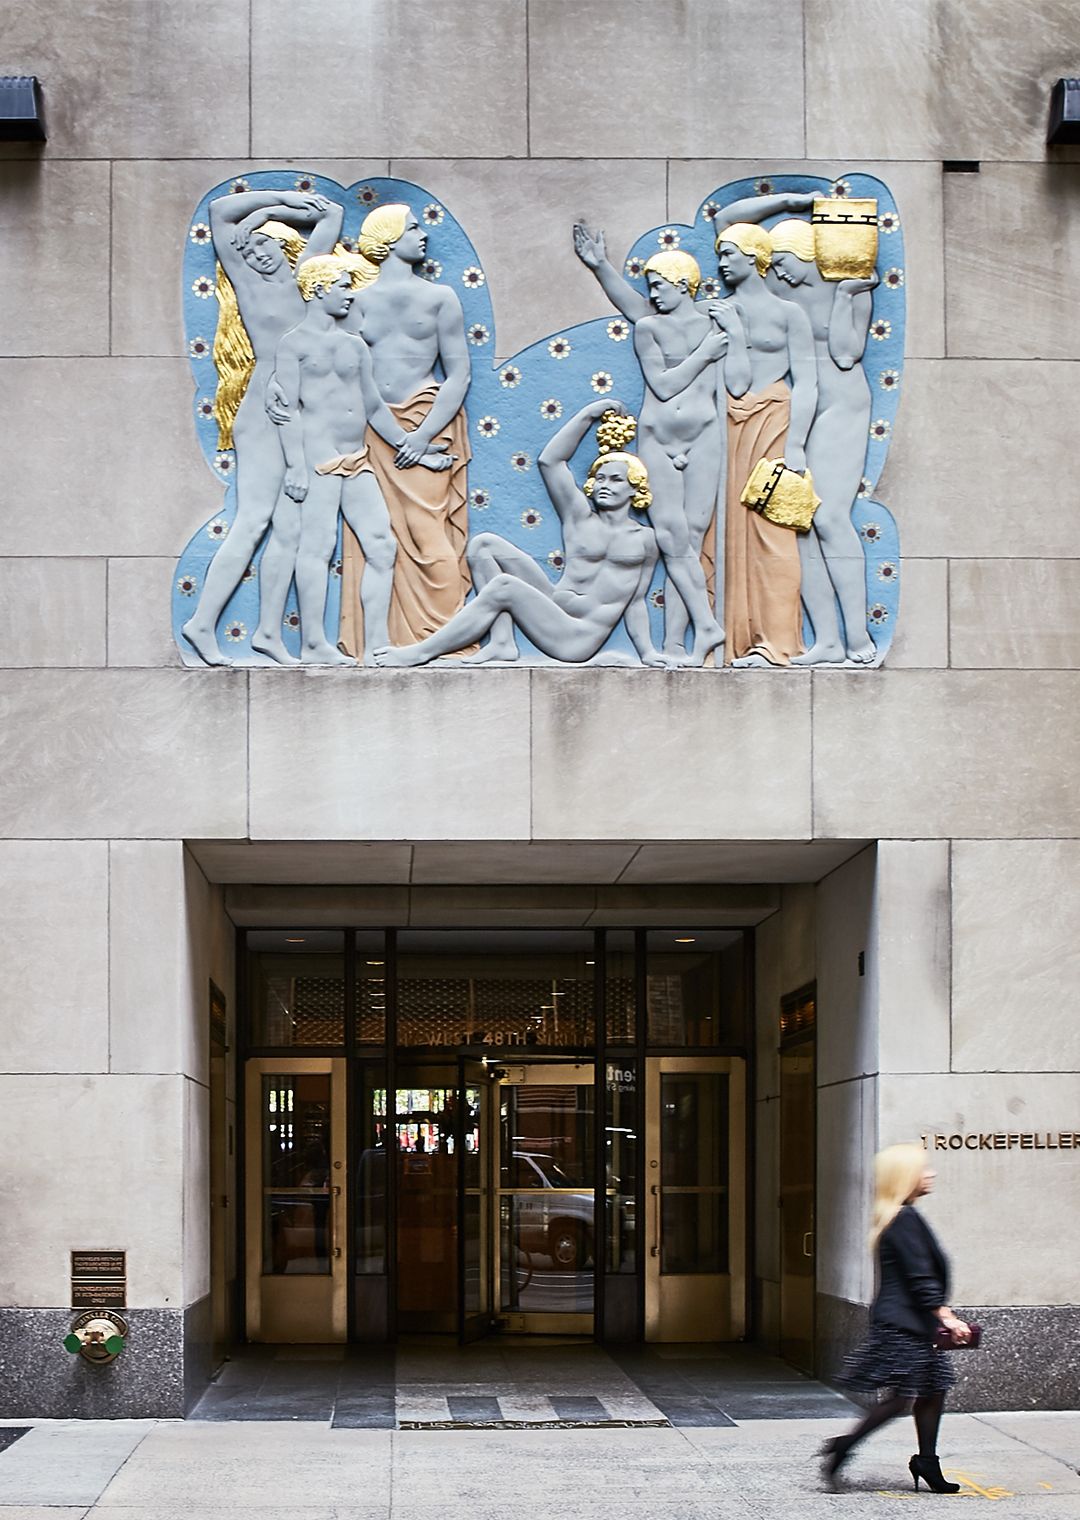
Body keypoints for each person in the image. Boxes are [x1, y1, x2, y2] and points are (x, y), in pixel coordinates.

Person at [372, 400, 667, 668]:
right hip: (552, 607)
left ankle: (421, 652)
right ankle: (502, 642)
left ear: (635, 489)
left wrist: (647, 652)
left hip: (576, 637)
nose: (605, 485)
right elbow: (550, 462)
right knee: (484, 546)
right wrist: (588, 415)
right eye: (600, 478)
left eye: (616, 480)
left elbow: (636, 601)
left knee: (505, 587)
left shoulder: (645, 540)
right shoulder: (580, 518)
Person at [181, 189, 344, 665]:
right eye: (248, 251)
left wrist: (277, 212)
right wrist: (271, 204)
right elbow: (218, 212)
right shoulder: (249, 286)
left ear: (284, 244)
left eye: (263, 245)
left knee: (290, 529)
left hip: (306, 415)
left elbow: (332, 213)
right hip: (265, 410)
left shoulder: (307, 278)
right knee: (253, 520)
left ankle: (269, 634)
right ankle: (202, 623)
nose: (256, 255)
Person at [713, 191, 877, 664]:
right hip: (795, 410)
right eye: (772, 262)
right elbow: (726, 220)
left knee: (829, 517)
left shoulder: (849, 282)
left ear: (805, 255)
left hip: (841, 405)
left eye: (783, 261)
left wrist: (845, 297)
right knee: (795, 523)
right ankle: (826, 640)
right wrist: (794, 200)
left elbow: (846, 353)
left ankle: (857, 635)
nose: (778, 271)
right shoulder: (774, 286)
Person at [269, 256, 453, 664]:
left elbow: (373, 407)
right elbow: (288, 411)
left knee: (382, 547)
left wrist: (416, 450)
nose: (350, 295)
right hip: (318, 462)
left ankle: (375, 645)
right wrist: (295, 466)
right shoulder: (293, 345)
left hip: (357, 461)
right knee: (318, 547)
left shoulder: (355, 345)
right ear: (319, 289)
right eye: (343, 286)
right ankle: (313, 643)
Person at [338, 204, 473, 654]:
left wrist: (422, 437)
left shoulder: (440, 298)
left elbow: (459, 375)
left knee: (427, 529)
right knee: (379, 537)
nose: (423, 235)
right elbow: (348, 372)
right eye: (413, 228)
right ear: (388, 238)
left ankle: (445, 634)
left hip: (427, 420)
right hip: (374, 430)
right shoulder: (356, 303)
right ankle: (385, 638)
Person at [821, 1144, 972, 1493]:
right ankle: (844, 1447)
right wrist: (947, 1317)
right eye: (923, 1169)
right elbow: (919, 1276)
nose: (930, 1174)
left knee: (933, 1388)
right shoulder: (903, 1219)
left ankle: (926, 1461)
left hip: (912, 1323)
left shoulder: (904, 1215)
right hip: (902, 1325)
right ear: (905, 1177)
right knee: (901, 1398)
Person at [713, 223, 817, 668]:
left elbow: (807, 381)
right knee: (729, 534)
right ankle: (734, 639)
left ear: (755, 257)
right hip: (728, 427)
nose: (721, 263)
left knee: (773, 534)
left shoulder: (789, 313)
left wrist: (797, 445)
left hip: (774, 422)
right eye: (719, 255)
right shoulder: (717, 312)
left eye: (729, 254)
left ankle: (776, 643)